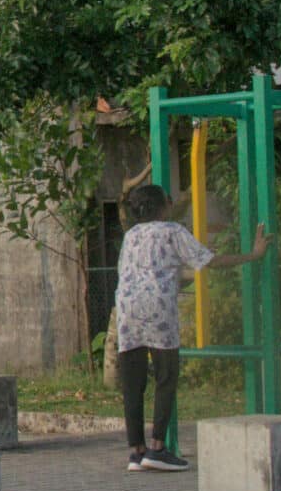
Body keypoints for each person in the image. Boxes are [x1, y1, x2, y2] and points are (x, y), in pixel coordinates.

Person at [111, 184, 269, 473]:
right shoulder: (173, 231)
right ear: (164, 205)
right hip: (159, 309)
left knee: (133, 384)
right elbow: (211, 261)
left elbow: (142, 271)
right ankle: (158, 447)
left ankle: (136, 451)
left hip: (127, 309)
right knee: (165, 376)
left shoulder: (131, 235)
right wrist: (253, 255)